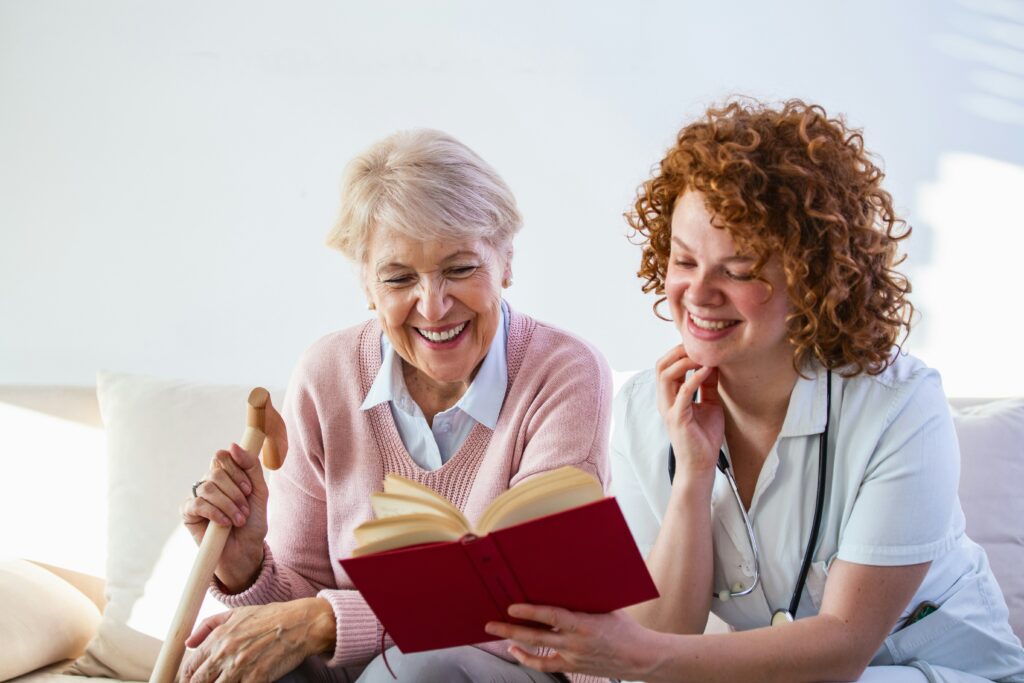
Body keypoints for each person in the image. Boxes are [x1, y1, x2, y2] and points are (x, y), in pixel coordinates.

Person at [484, 99, 1024, 683]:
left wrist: (639, 654)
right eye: (684, 261)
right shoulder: (646, 409)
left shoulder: (899, 405)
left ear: (814, 277)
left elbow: (843, 648)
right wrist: (691, 476)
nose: (699, 293)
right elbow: (666, 640)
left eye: (738, 272)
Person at [178, 129, 612, 682]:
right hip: (360, 671)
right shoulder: (326, 373)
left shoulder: (565, 372)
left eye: (460, 269)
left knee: (419, 667)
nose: (432, 306)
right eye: (399, 277)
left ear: (505, 260)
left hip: (509, 669)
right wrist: (245, 569)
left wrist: (323, 620)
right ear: (367, 285)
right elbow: (296, 610)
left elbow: (529, 600)